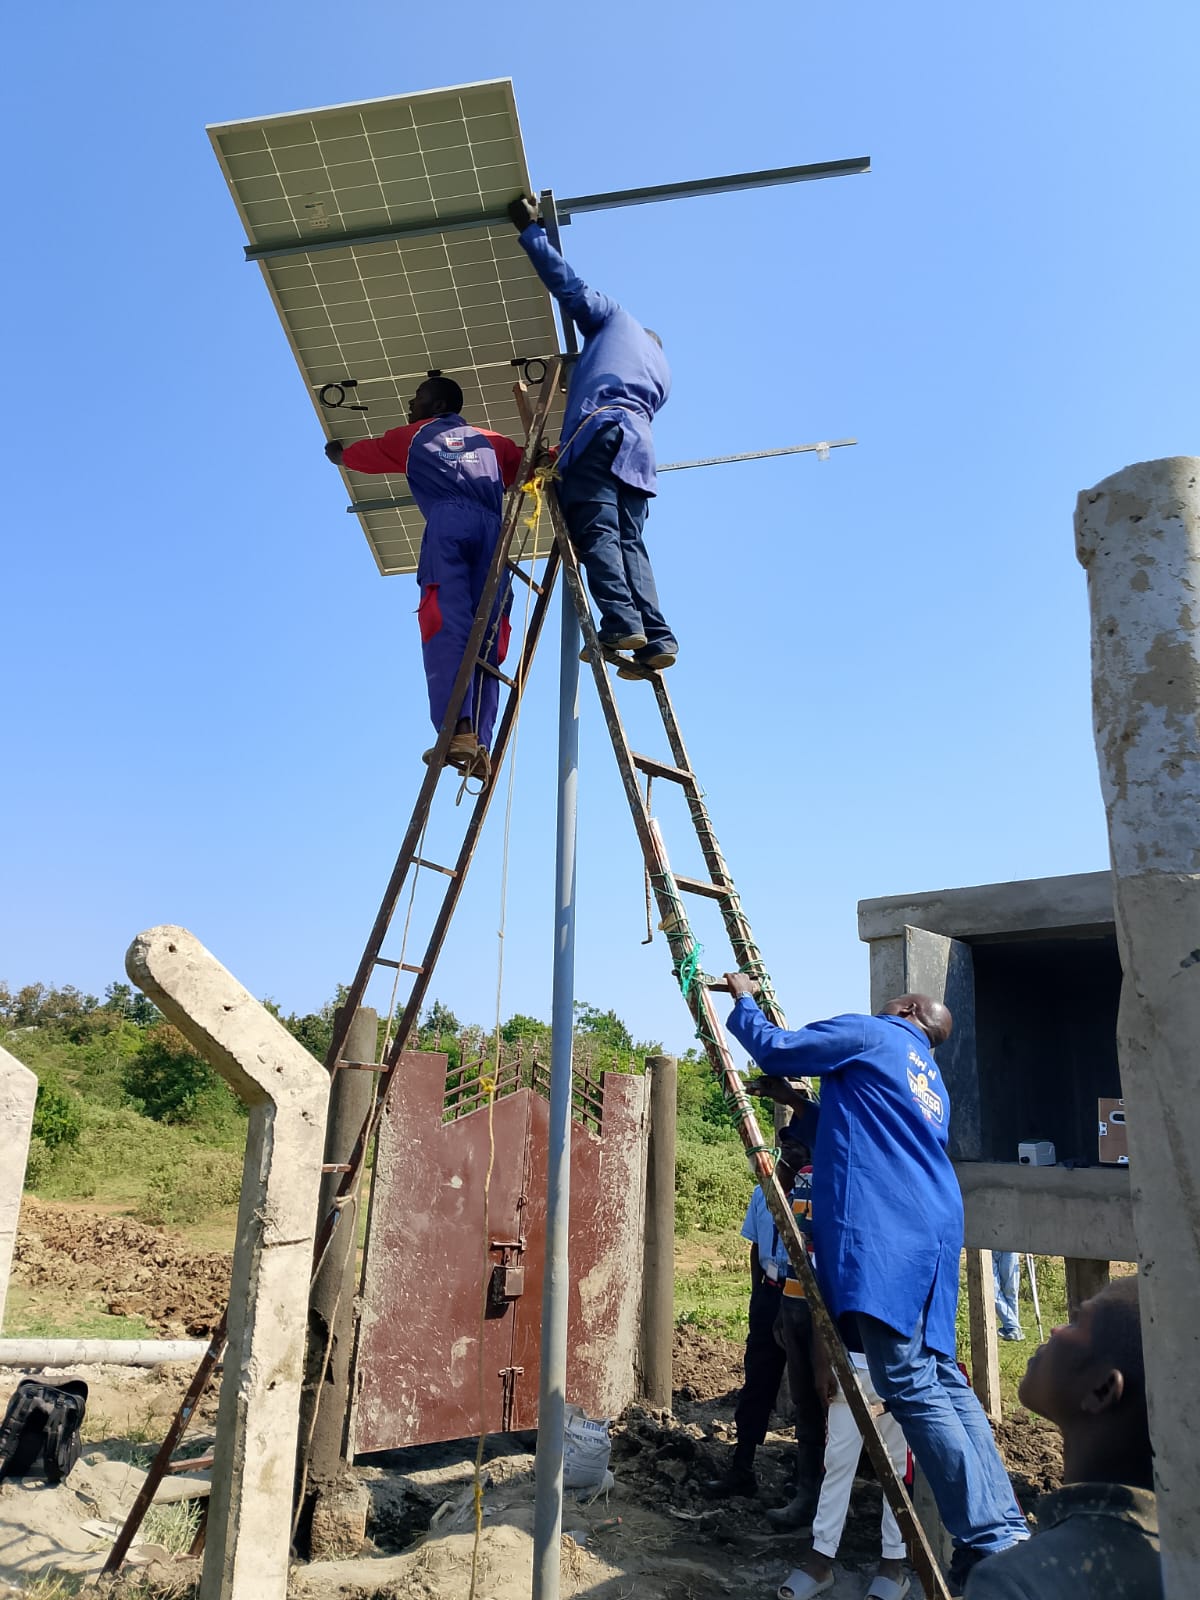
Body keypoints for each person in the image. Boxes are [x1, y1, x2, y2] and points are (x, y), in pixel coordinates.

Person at [724, 975, 1029, 1596]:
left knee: (905, 1380)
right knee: (941, 1374)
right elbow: (862, 1138)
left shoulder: (874, 1034)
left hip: (889, 1232)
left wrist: (744, 999)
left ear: (908, 1010)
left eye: (894, 1001)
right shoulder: (929, 1080)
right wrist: (801, 1106)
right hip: (933, 1229)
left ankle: (987, 1539)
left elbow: (777, 1047)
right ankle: (1004, 1524)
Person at [506, 196, 678, 672]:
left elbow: (570, 288)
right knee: (630, 542)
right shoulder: (661, 371)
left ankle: (621, 622)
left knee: (598, 528)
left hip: (601, 433)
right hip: (639, 454)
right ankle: (657, 638)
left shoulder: (616, 320)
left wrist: (531, 232)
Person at [326, 375, 524, 780]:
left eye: (417, 398)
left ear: (437, 407)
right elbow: (532, 462)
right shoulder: (492, 440)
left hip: (449, 525)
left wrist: (339, 455)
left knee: (445, 622)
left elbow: (364, 456)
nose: (409, 405)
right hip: (494, 535)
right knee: (488, 637)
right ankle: (481, 743)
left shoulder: (412, 437)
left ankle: (459, 731)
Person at [965, 1277, 1161, 1597]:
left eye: (1075, 1323)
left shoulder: (1015, 1583)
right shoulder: (1174, 1549)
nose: (1055, 1330)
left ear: (1102, 1390)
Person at [704, 1131, 811, 1497]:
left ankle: (805, 1479)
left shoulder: (813, 1200)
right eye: (785, 1149)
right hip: (769, 1294)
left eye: (797, 1150)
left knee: (807, 1389)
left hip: (803, 1298)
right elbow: (756, 1249)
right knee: (757, 1381)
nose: (788, 1156)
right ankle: (742, 1467)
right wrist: (758, 1297)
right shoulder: (761, 1196)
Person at [993, 1252, 1024, 1342]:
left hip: (1010, 1248)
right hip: (986, 1248)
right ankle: (1014, 1327)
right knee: (992, 1290)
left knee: (1010, 1290)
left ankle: (1011, 1328)